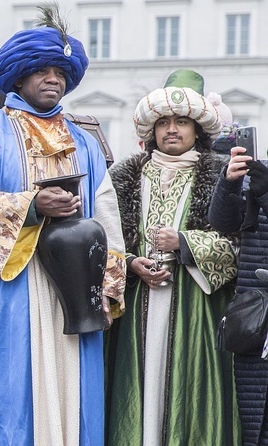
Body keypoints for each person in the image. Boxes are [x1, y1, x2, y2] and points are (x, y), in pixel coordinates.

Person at [0, 7, 127, 445]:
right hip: (7, 291)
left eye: (60, 72)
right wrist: (31, 204)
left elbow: (107, 214)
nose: (54, 79)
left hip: (74, 292)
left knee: (72, 393)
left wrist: (110, 281)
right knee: (5, 395)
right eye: (42, 71)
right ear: (18, 78)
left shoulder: (84, 139)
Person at [105, 69, 240, 445]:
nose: (172, 130)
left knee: (189, 388)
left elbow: (238, 248)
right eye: (163, 122)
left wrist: (185, 243)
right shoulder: (124, 177)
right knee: (138, 387)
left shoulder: (221, 176)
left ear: (198, 129)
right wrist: (131, 264)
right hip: (136, 307)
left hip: (197, 306)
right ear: (152, 131)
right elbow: (103, 240)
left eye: (182, 121)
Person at [209, 141, 268, 445]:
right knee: (253, 419)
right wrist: (230, 182)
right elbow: (222, 223)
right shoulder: (262, 169)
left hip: (256, 313)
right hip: (254, 317)